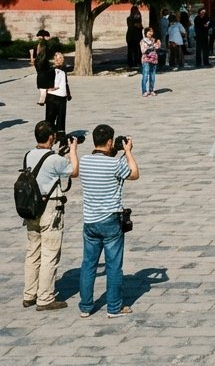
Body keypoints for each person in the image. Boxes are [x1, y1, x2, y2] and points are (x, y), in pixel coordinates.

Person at [78, 125, 140, 318]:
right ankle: (113, 307)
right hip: (110, 220)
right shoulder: (114, 165)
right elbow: (134, 174)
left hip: (90, 220)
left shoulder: (84, 161)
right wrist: (128, 152)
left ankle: (85, 307)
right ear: (110, 141)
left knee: (88, 265)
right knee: (113, 266)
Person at [22, 122, 79, 311]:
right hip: (50, 209)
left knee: (33, 251)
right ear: (51, 137)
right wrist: (73, 151)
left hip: (32, 208)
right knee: (50, 252)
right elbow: (74, 171)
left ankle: (29, 294)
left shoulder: (28, 155)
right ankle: (45, 297)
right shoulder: (54, 159)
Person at [41, 51, 71, 136]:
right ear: (55, 59)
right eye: (60, 58)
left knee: (61, 117)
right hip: (52, 97)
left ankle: (60, 135)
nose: (62, 59)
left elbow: (65, 82)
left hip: (62, 97)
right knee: (50, 117)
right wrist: (48, 88)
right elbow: (42, 81)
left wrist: (68, 94)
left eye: (62, 57)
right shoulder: (50, 69)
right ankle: (48, 135)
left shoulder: (64, 69)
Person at [139, 27, 160, 97]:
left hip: (153, 60)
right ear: (145, 33)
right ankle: (144, 91)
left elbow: (157, 47)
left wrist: (158, 43)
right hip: (146, 60)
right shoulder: (143, 41)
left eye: (152, 31)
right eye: (149, 31)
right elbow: (143, 51)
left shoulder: (153, 40)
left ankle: (151, 90)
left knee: (152, 76)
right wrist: (150, 48)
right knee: (145, 76)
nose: (150, 33)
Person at [125, 5, 143, 72]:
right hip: (135, 36)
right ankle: (136, 62)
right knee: (136, 50)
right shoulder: (136, 17)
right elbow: (139, 25)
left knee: (130, 50)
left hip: (129, 36)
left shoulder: (128, 18)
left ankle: (130, 63)